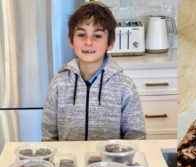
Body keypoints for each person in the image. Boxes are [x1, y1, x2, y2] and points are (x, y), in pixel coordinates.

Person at [41, 1, 146, 141]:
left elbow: (136, 137)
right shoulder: (58, 85)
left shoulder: (125, 86)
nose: (88, 42)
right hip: (70, 162)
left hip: (112, 163)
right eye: (81, 35)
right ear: (71, 41)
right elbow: (49, 137)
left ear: (110, 43)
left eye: (97, 36)